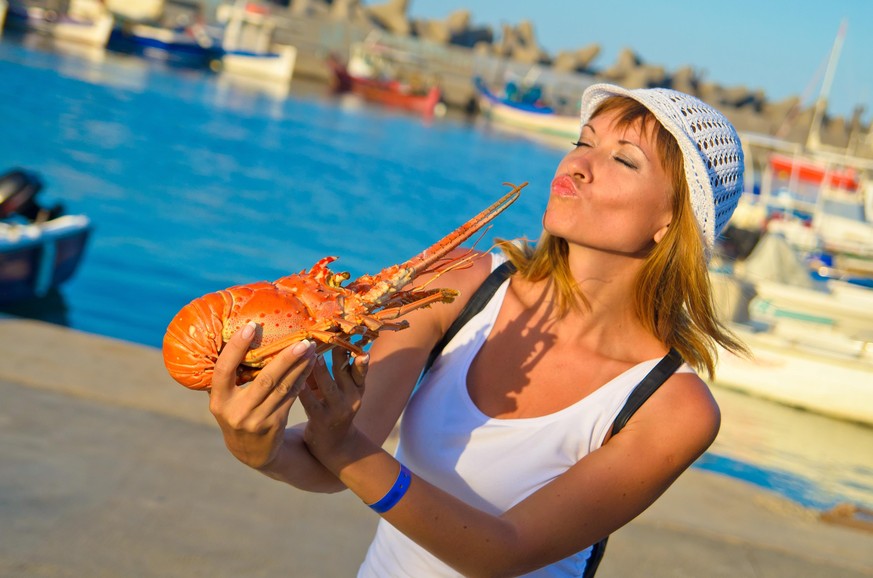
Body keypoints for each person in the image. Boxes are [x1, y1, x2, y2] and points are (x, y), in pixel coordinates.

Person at [207, 83, 748, 577]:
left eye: (623, 160)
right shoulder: (462, 283)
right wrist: (259, 447)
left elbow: (502, 551)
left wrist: (345, 449)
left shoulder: (672, 408)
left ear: (672, 222)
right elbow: (330, 458)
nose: (580, 165)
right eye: (584, 142)